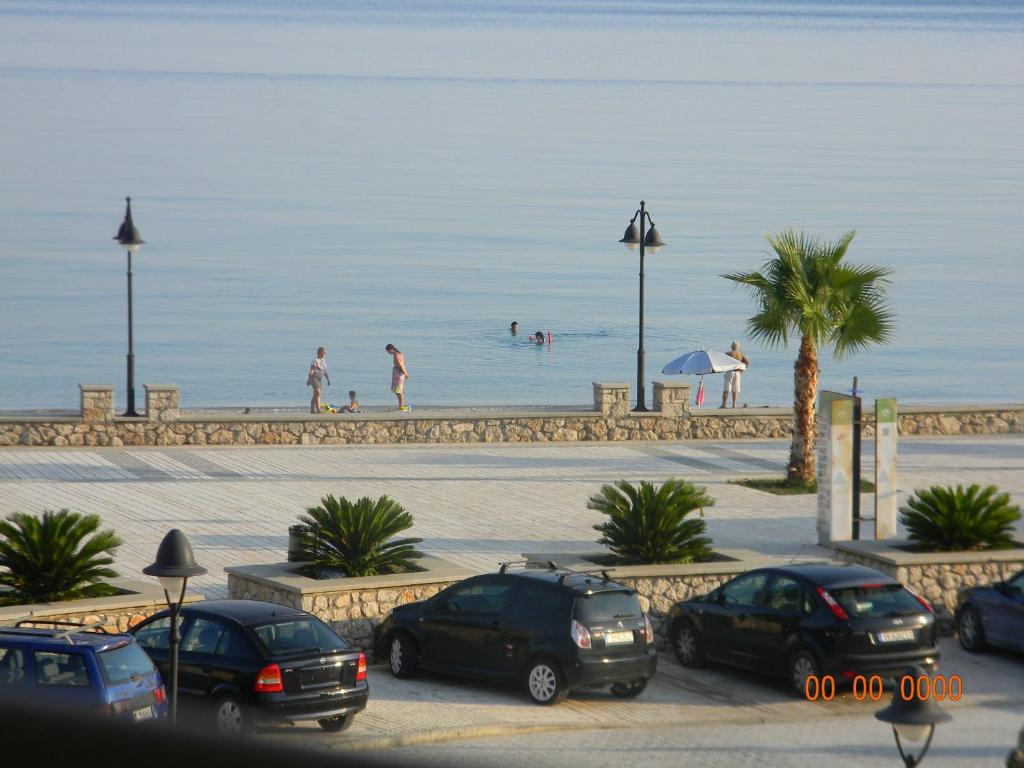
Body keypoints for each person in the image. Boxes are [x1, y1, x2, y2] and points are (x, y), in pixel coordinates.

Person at [721, 340, 751, 408]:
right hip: (737, 373)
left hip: (730, 372)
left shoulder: (728, 353)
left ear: (732, 346)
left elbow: (721, 360)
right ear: (738, 347)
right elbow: (748, 362)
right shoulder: (740, 354)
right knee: (735, 390)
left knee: (726, 389)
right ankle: (734, 405)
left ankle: (724, 405)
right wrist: (741, 371)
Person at [385, 344, 410, 410]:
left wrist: (405, 373)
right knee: (398, 390)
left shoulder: (396, 355)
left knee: (398, 391)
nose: (388, 353)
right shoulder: (400, 354)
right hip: (399, 373)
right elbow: (403, 365)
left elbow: (400, 365)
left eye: (388, 351)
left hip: (398, 374)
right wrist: (406, 373)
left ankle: (401, 406)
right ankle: (401, 406)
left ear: (391, 349)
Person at [307, 346, 331, 414]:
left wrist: (328, 379)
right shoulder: (315, 360)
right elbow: (311, 370)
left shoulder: (323, 361)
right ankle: (318, 409)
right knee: (318, 392)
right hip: (314, 378)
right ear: (320, 352)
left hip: (320, 379)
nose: (325, 354)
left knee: (316, 394)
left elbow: (325, 372)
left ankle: (312, 410)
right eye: (324, 353)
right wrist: (309, 379)